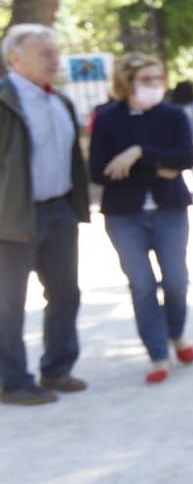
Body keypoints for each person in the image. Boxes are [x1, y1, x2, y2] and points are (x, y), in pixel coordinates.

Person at [89, 53, 193, 385]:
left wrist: (137, 153)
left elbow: (185, 158)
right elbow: (100, 172)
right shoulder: (106, 118)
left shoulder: (174, 115)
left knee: (176, 282)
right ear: (127, 83)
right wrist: (158, 166)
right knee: (142, 286)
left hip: (170, 211)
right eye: (147, 80)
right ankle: (158, 354)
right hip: (125, 217)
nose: (155, 85)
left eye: (158, 78)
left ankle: (176, 333)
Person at [0, 24, 91, 406]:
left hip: (58, 211)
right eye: (45, 55)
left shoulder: (61, 102)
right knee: (8, 304)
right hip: (12, 217)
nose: (55, 61)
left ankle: (56, 368)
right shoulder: (5, 101)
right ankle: (13, 382)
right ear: (15, 59)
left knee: (66, 294)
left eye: (55, 53)